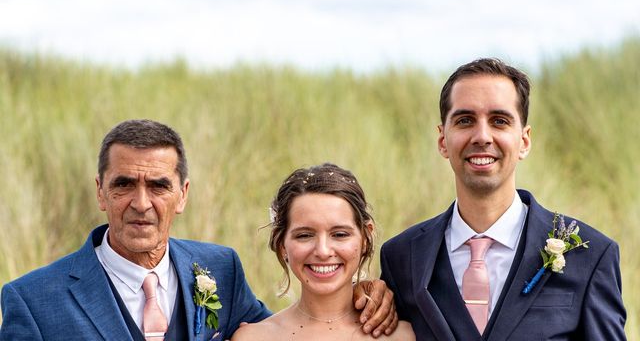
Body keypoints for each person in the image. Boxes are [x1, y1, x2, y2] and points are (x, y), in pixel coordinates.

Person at [0, 119, 396, 340]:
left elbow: (297, 326)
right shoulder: (33, 301)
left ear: (182, 195)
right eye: (123, 185)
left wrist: (362, 291)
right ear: (100, 192)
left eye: (158, 186)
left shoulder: (220, 269)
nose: (141, 203)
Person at [380, 58, 627, 340]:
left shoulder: (591, 256)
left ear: (524, 140)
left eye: (499, 121)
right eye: (465, 121)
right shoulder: (401, 257)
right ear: (442, 140)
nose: (482, 136)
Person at [231, 163, 415, 341]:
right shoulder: (252, 337)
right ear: (282, 245)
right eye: (304, 235)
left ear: (365, 238)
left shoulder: (403, 335)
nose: (323, 251)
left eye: (340, 234)